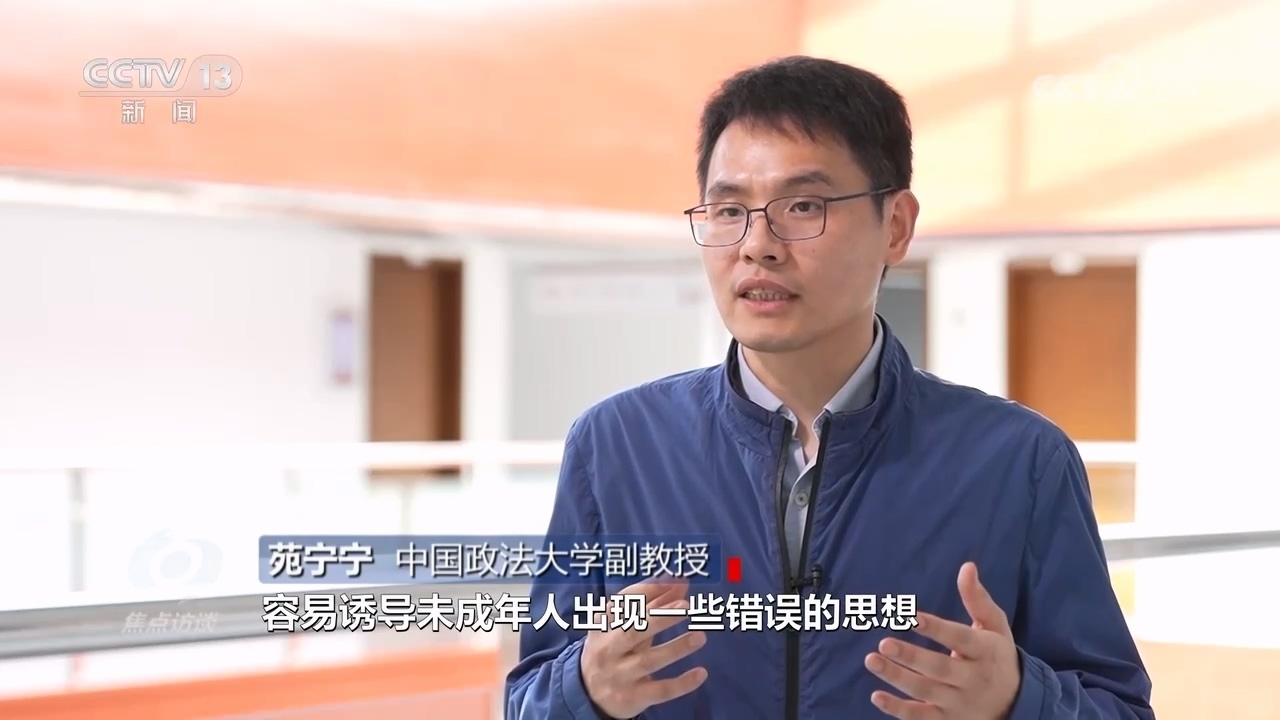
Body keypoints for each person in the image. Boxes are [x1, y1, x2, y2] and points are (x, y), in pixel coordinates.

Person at [504, 56, 1154, 720]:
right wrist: (583, 691)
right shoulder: (616, 445)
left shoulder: (1020, 460)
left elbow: (1120, 708)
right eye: (728, 209)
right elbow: (526, 700)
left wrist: (1018, 700)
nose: (757, 245)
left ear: (895, 225)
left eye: (803, 206)